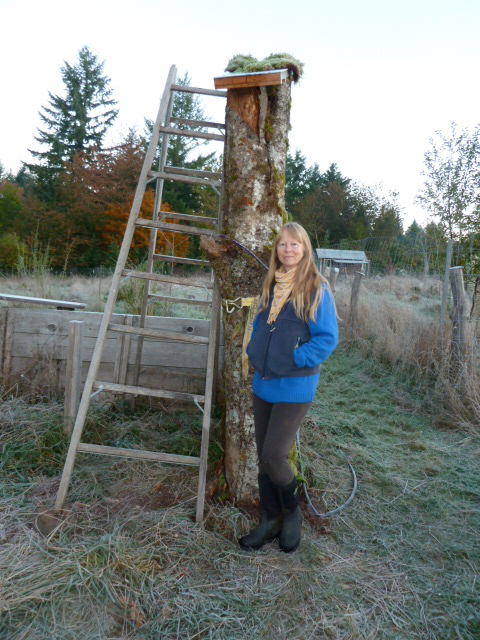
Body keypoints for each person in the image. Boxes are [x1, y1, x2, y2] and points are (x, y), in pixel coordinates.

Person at [240, 222, 338, 553]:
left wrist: (296, 358)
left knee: (274, 455)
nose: (288, 250)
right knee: (263, 458)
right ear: (277, 251)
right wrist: (255, 349)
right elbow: (258, 324)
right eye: (282, 244)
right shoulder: (271, 284)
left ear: (305, 249)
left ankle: (292, 513)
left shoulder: (316, 288)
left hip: (295, 386)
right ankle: (269, 521)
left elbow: (327, 338)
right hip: (263, 383)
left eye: (295, 244)